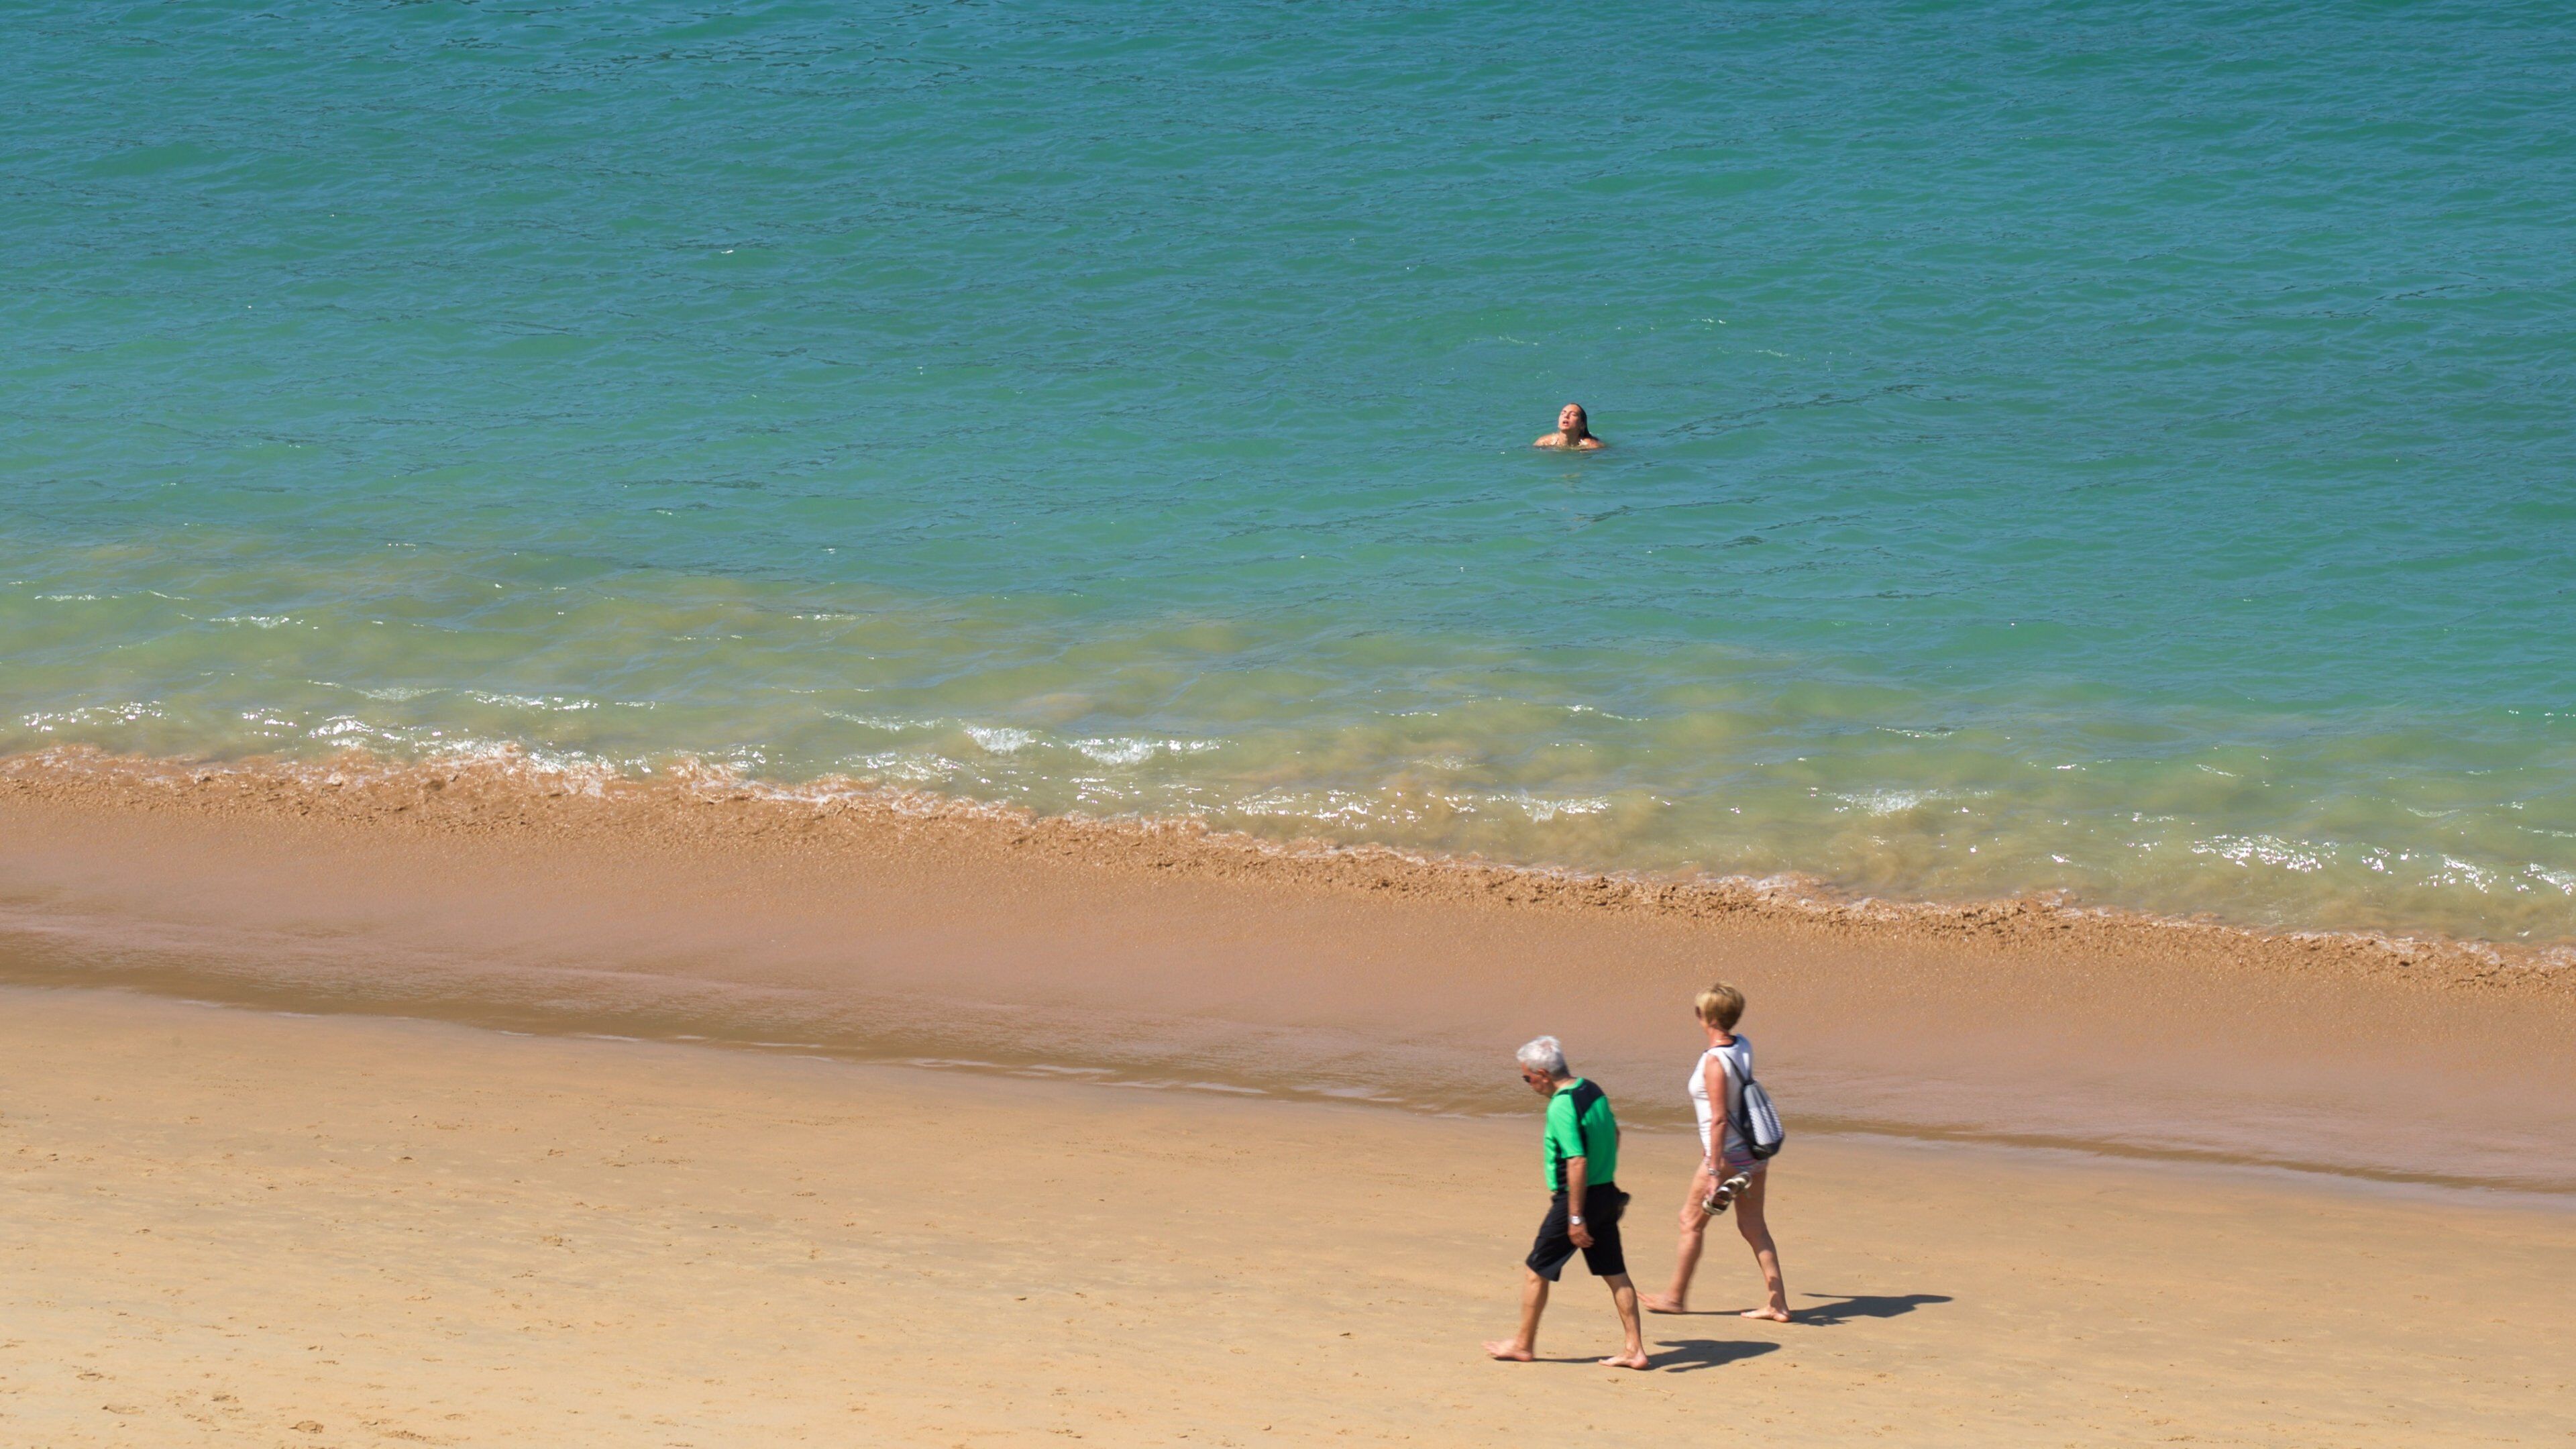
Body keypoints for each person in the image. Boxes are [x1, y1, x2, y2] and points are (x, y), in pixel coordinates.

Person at [1483, 1036, 1650, 1369]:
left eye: (1527, 1078)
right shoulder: (1592, 1089)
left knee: (1536, 1270)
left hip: (1576, 1200)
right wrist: (1603, 1179)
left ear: (1543, 1074)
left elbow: (1576, 1160)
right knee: (1616, 1273)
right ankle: (1635, 1350)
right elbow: (1615, 1135)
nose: (1528, 1084)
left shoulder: (1561, 1105)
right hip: (1605, 1193)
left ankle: (1522, 1345)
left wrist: (1575, 1217)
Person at [1640, 983, 1791, 1321]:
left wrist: (1712, 1172)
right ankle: (1778, 1304)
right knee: (1754, 1227)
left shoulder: (1713, 1061)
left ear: (1705, 1016)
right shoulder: (1743, 1045)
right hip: (1754, 1152)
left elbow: (1720, 1118)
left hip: (1726, 1156)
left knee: (1690, 1221)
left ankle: (1675, 1298)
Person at [1533, 402, 1604, 450]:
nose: (1566, 416)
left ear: (1582, 425)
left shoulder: (1592, 446)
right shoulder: (1544, 443)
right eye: (1563, 413)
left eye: (1573, 414)